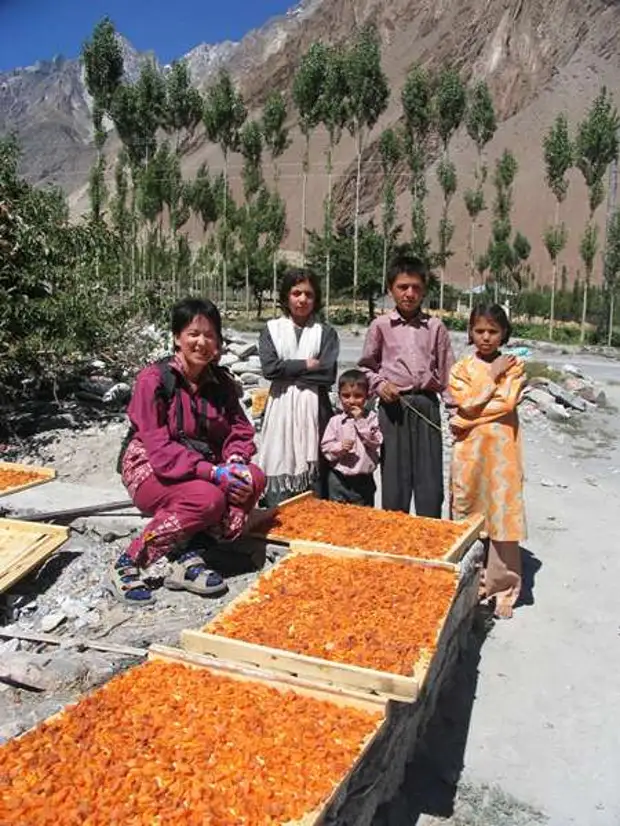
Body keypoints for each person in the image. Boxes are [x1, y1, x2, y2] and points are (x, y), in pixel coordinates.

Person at [110, 297, 265, 605]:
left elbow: (240, 430)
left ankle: (189, 554)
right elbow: (159, 446)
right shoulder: (154, 380)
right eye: (193, 333)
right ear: (177, 337)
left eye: (210, 335)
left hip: (201, 468)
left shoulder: (220, 382)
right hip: (151, 466)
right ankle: (129, 562)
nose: (202, 342)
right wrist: (213, 472)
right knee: (208, 499)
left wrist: (234, 458)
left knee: (254, 479)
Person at [358, 255, 454, 517]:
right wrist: (379, 386)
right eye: (402, 287)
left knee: (430, 483)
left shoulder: (435, 328)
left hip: (426, 407)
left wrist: (456, 416)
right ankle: (396, 544)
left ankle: (429, 542)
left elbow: (448, 375)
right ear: (391, 289)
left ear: (424, 290)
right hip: (393, 407)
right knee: (395, 481)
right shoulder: (380, 326)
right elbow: (366, 368)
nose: (409, 293)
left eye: (416, 287)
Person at [449, 303, 526, 619]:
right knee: (468, 514)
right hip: (470, 455)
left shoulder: (514, 366)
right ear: (470, 332)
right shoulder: (461, 369)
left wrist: (466, 420)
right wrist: (491, 379)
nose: (486, 337)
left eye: (493, 331)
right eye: (479, 331)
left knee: (502, 517)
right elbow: (463, 401)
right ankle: (469, 586)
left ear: (504, 333)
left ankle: (503, 590)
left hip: (503, 454)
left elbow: (507, 402)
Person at [258, 268, 339, 507]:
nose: (302, 299)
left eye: (308, 294)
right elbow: (270, 370)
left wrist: (288, 372)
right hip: (280, 410)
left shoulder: (325, 333)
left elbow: (327, 374)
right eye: (296, 293)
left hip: (315, 410)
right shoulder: (271, 330)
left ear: (316, 299)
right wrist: (305, 364)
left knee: (315, 469)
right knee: (279, 458)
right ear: (286, 296)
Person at [320, 369, 382, 507]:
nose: (351, 401)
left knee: (363, 517)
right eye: (346, 396)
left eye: (358, 396)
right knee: (337, 515)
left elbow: (376, 442)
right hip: (339, 478)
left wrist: (360, 421)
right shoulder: (335, 421)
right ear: (339, 396)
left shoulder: (371, 419)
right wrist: (340, 447)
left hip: (363, 479)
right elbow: (326, 447)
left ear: (367, 396)